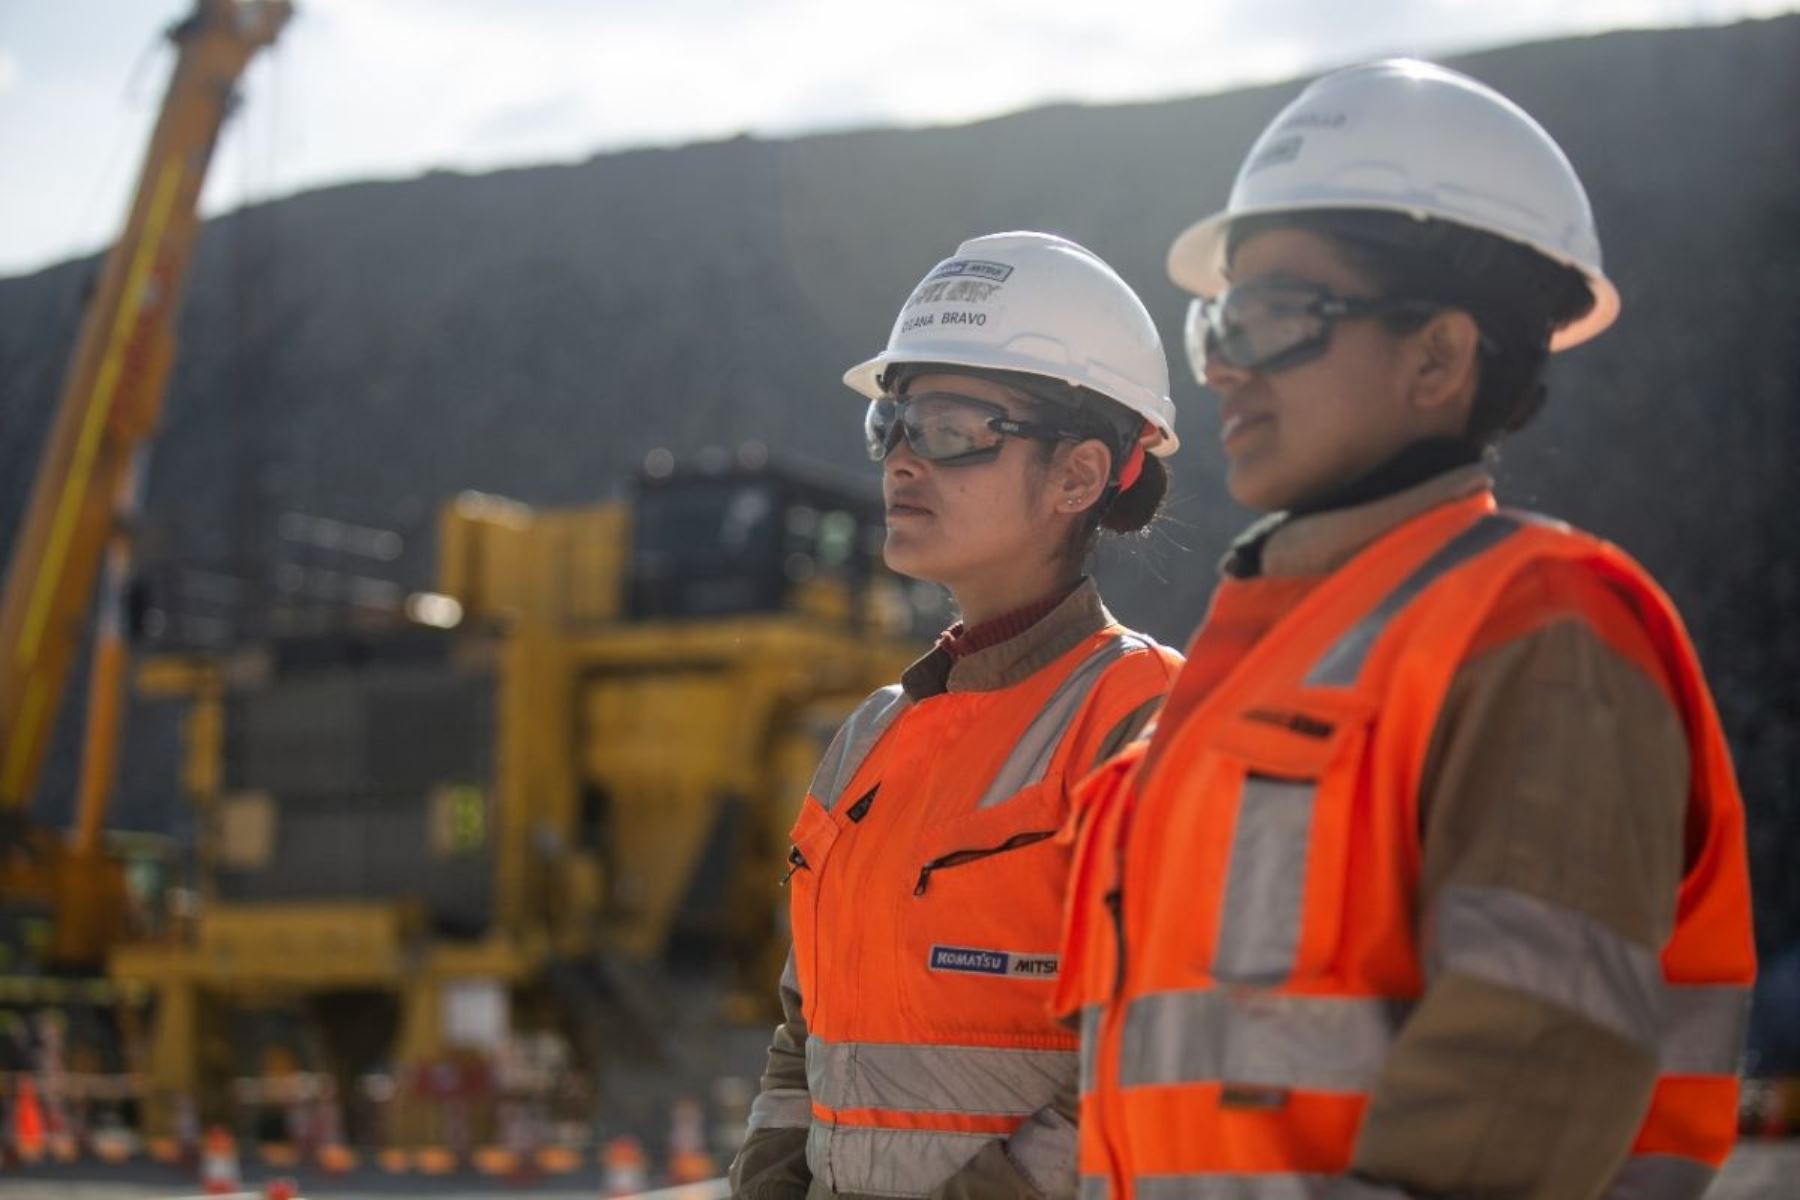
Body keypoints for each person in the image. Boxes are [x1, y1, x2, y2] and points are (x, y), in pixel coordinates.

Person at [1054, 60, 1756, 1200]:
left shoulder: (1541, 630)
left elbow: (1520, 1080)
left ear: (1438, 356)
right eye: (1217, 320)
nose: (1224, 362)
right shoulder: (1252, 668)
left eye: (1276, 316)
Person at [729, 231, 1185, 1200]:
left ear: (1080, 476)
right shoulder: (867, 740)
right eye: (891, 425)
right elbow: (807, 1036)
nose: (900, 460)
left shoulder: (1143, 723)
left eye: (951, 427)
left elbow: (1152, 1055)